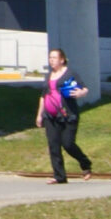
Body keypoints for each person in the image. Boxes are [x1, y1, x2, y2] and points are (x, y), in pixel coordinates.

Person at [39, 47, 92, 184]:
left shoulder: (70, 74)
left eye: (54, 58)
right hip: (50, 116)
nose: (51, 60)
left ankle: (85, 162)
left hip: (68, 114)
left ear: (62, 60)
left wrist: (81, 93)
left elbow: (84, 88)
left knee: (68, 144)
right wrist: (39, 115)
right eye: (50, 57)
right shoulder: (48, 76)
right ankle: (59, 176)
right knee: (53, 145)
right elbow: (43, 96)